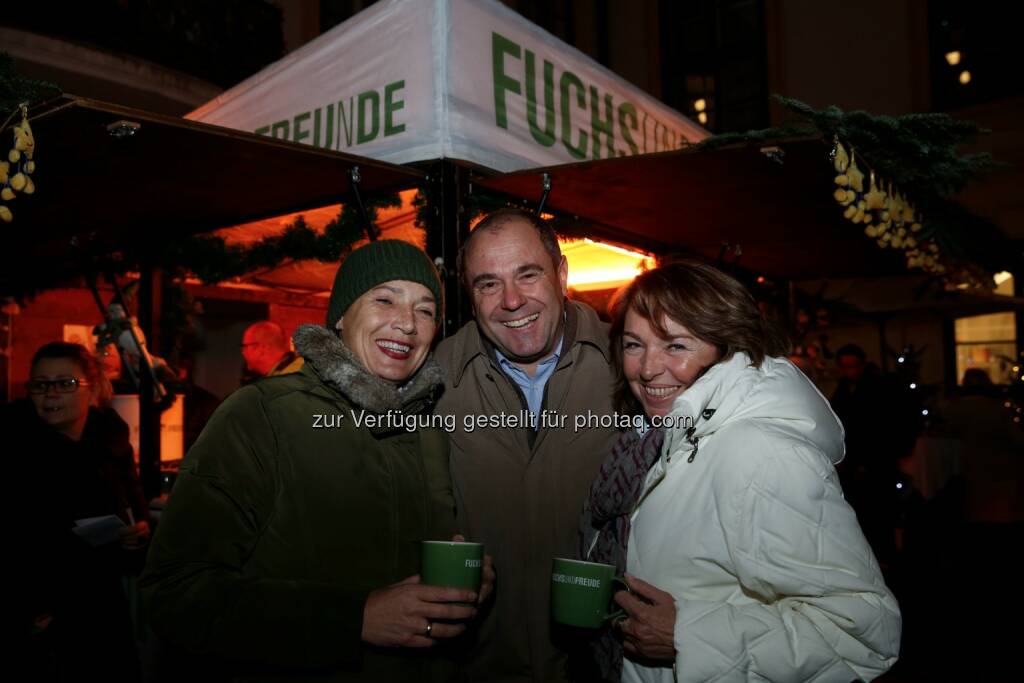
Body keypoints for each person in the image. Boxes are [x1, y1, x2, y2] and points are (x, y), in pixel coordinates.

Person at [140, 240, 494, 681]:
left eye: (425, 310)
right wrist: (354, 618)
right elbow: (175, 591)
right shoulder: (262, 414)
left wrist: (464, 582)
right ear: (342, 315)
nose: (406, 323)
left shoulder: (427, 430)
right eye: (385, 299)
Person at [581, 262, 901, 682]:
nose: (647, 368)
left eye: (675, 346)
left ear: (727, 347)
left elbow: (864, 633)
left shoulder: (758, 452)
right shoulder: (655, 440)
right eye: (633, 345)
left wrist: (689, 638)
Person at [434, 208, 620, 682]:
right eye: (488, 284)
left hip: (601, 662)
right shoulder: (433, 382)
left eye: (527, 275)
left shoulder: (631, 367)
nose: (511, 301)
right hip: (478, 664)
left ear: (560, 274)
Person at [5, 341, 151, 682]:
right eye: (41, 385)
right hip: (39, 606)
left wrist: (138, 534)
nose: (50, 394)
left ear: (91, 388)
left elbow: (135, 508)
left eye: (65, 383)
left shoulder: (110, 438)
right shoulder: (14, 442)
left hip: (98, 600)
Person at [830, 344, 917, 567]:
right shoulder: (843, 390)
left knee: (881, 512)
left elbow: (891, 423)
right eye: (844, 366)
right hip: (853, 462)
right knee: (860, 513)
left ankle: (886, 558)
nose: (849, 370)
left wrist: (891, 453)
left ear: (862, 364)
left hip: (878, 460)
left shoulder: (880, 387)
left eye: (853, 365)